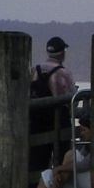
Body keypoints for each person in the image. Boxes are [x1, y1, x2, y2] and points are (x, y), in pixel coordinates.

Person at [20, 122, 91, 188]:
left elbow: (85, 165)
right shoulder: (87, 145)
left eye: (84, 130)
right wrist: (58, 171)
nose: (81, 134)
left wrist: (60, 169)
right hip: (78, 184)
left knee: (72, 153)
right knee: (48, 174)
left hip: (91, 184)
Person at [28, 37, 77, 173]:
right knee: (62, 159)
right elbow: (73, 99)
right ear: (62, 53)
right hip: (59, 120)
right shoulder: (64, 73)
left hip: (37, 120)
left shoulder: (35, 70)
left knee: (37, 160)